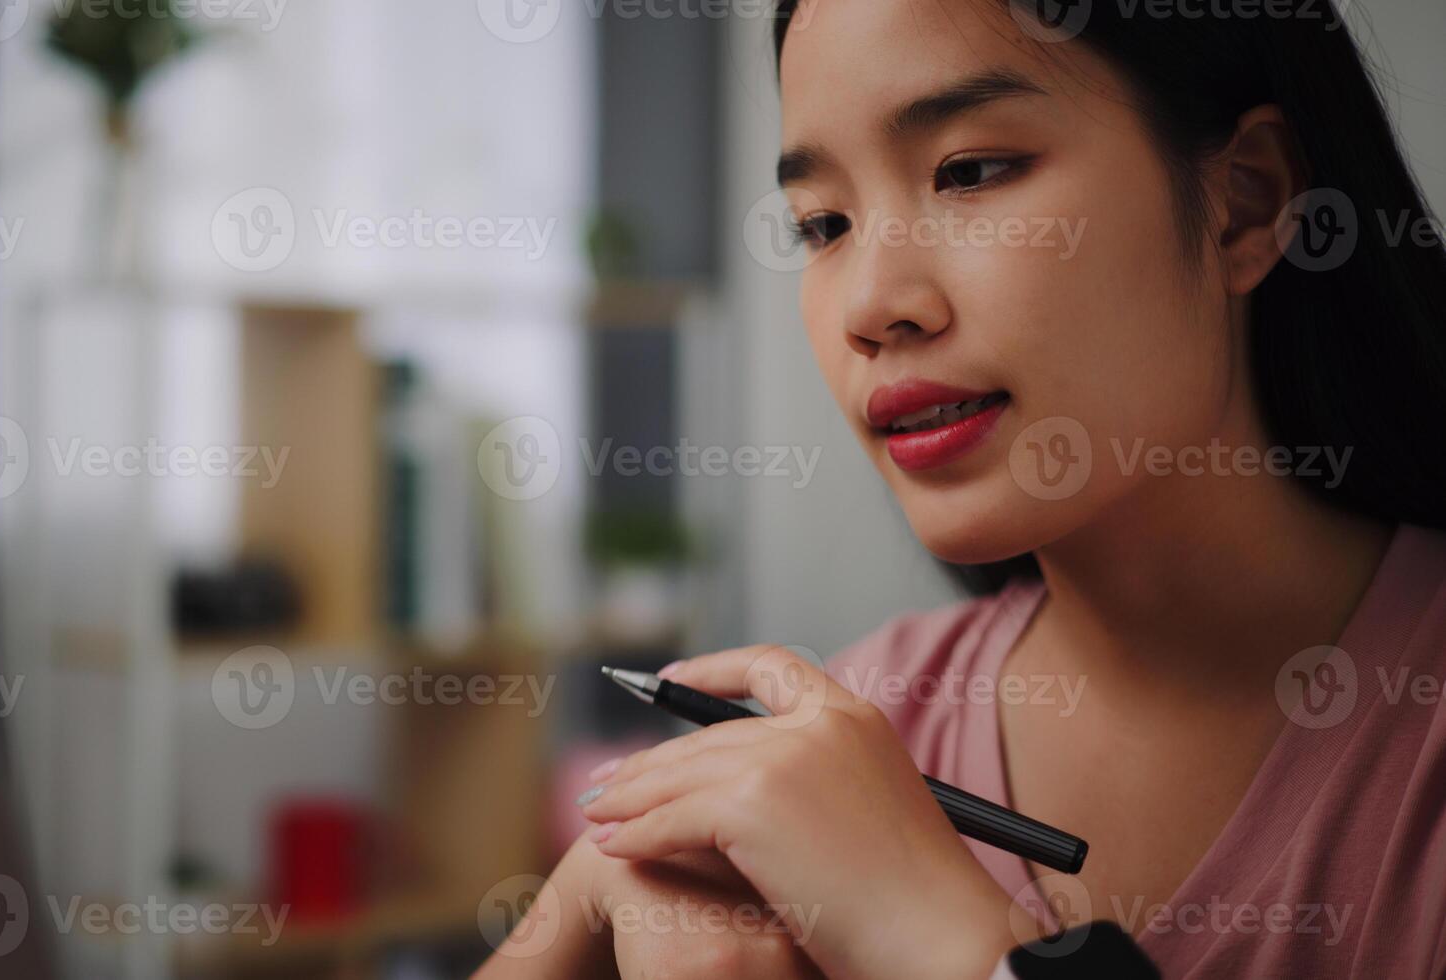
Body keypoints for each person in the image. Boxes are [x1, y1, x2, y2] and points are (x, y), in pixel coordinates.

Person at [476, 0, 1446, 975]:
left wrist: (944, 939)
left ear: (1243, 199)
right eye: (820, 223)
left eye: (967, 172)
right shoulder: (852, 723)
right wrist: (582, 898)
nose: (868, 306)